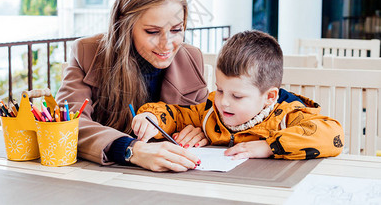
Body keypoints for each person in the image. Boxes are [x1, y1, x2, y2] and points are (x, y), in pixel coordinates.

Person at [56, 0, 209, 172]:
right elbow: (67, 124)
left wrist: (200, 131)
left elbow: (205, 117)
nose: (167, 44)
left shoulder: (191, 58)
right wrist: (131, 150)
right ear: (125, 26)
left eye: (176, 30)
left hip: (174, 180)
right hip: (99, 178)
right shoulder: (88, 52)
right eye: (152, 32)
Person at [133, 30, 344, 160]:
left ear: (270, 97)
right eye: (221, 89)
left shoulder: (287, 117)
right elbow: (177, 114)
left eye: (237, 96)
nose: (224, 102)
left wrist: (268, 147)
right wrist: (150, 118)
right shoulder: (209, 110)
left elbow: (333, 134)